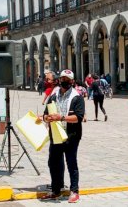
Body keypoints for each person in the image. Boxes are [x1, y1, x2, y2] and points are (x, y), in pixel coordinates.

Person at [41, 69, 85, 203]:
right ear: (59, 80)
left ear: (72, 81)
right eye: (62, 79)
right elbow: (45, 114)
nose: (64, 81)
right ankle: (56, 190)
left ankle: (74, 191)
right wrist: (47, 117)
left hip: (71, 135)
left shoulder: (77, 97)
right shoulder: (54, 96)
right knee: (53, 163)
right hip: (55, 135)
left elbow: (78, 117)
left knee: (71, 162)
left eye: (67, 79)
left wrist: (61, 117)